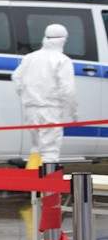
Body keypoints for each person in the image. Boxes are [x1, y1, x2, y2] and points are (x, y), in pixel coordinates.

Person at [11, 23, 79, 168]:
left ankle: (33, 181)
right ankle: (47, 182)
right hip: (50, 110)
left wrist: (26, 95)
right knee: (50, 152)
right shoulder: (62, 60)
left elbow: (16, 77)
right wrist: (73, 112)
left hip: (31, 110)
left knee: (35, 149)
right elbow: (67, 90)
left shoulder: (30, 58)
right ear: (62, 40)